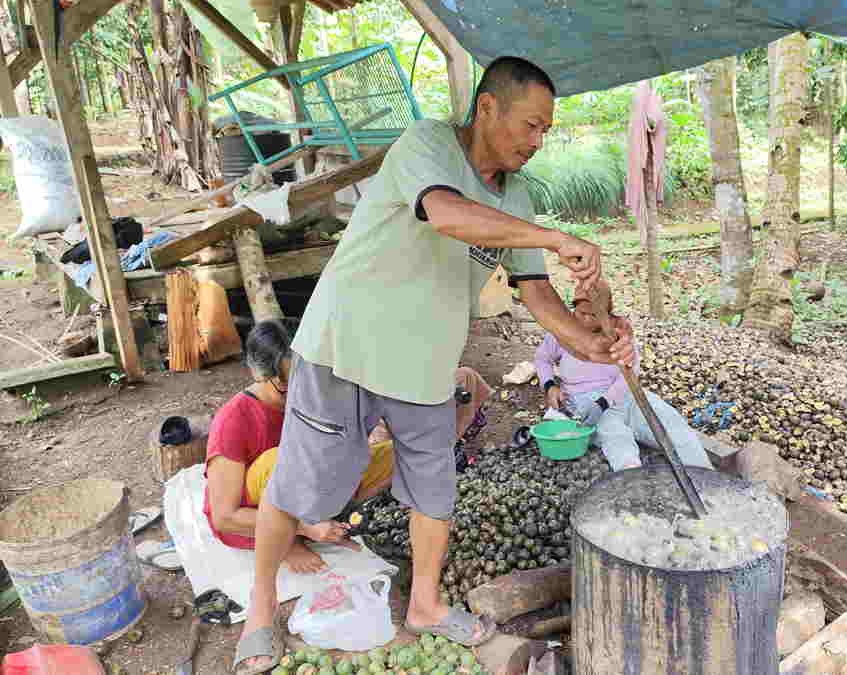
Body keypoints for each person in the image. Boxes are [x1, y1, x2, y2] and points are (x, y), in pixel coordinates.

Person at [233, 56, 634, 675]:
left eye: (546, 130)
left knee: (433, 491)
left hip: (424, 363)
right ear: (488, 107)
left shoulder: (518, 195)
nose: (538, 141)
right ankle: (260, 611)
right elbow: (443, 213)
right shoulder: (428, 144)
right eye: (531, 124)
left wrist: (591, 343)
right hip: (348, 347)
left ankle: (423, 604)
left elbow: (535, 293)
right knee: (300, 484)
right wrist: (555, 237)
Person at [203, 321, 493, 575]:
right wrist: (301, 528)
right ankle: (285, 539)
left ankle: (322, 515)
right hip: (258, 512)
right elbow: (225, 517)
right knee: (283, 458)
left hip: (312, 491)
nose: (306, 390)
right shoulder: (234, 420)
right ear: (264, 377)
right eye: (291, 385)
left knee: (403, 453)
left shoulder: (320, 390)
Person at [534, 289, 713, 473]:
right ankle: (631, 480)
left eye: (593, 315)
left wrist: (604, 402)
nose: (586, 320)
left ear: (606, 314)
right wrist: (549, 385)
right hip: (585, 400)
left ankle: (706, 474)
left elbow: (630, 371)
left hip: (628, 394)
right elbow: (542, 359)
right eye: (582, 313)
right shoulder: (564, 332)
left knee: (669, 421)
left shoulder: (620, 332)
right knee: (614, 435)